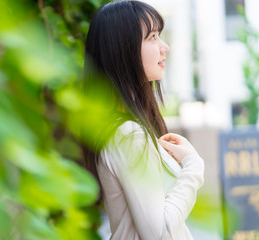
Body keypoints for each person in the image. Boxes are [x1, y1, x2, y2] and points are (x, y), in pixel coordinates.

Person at [82, 1, 205, 239]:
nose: (164, 46)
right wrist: (194, 166)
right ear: (123, 50)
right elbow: (160, 231)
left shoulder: (123, 128)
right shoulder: (128, 133)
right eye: (152, 37)